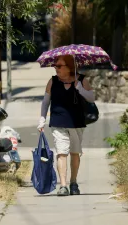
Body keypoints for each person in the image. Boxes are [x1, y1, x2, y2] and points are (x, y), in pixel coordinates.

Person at [37, 54, 95, 196]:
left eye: (59, 66)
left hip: (77, 123)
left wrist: (80, 88)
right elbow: (45, 102)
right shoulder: (53, 81)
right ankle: (63, 185)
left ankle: (73, 182)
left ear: (69, 67)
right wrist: (42, 119)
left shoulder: (81, 80)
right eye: (55, 65)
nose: (56, 68)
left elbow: (91, 98)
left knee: (75, 153)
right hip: (58, 122)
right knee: (61, 153)